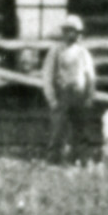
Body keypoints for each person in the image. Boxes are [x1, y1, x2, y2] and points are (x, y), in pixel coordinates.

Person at [42, 15, 97, 161]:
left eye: (75, 31)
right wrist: (52, 98)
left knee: (80, 129)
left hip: (79, 94)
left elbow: (90, 76)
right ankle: (54, 160)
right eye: (68, 31)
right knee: (58, 129)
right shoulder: (55, 51)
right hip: (62, 94)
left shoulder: (83, 52)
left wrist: (90, 96)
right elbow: (47, 75)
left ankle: (78, 159)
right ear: (63, 32)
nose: (71, 34)